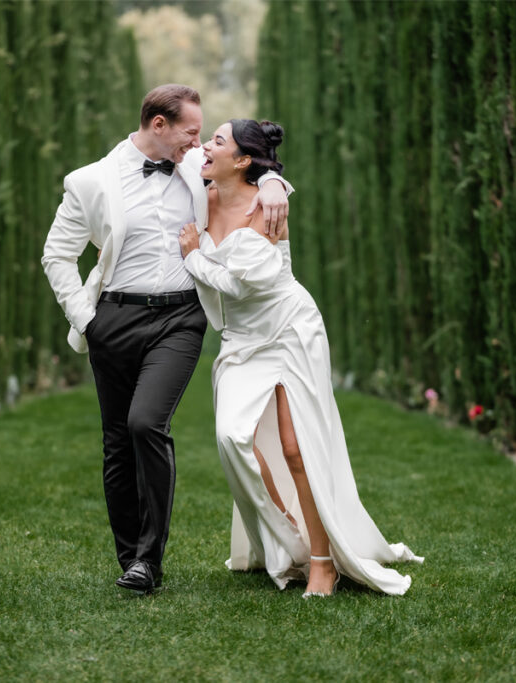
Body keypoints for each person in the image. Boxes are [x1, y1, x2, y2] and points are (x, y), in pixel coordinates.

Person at [41, 85, 293, 594]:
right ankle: (132, 559)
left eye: (203, 136)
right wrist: (87, 320)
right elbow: (56, 255)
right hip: (112, 318)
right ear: (159, 125)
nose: (200, 144)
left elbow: (248, 169)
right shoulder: (89, 181)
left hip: (180, 319)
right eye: (191, 132)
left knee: (145, 422)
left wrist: (274, 185)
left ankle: (149, 559)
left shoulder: (196, 169)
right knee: (116, 442)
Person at [177, 119, 422, 597]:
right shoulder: (202, 190)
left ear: (243, 160)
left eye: (218, 142)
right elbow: (169, 153)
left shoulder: (269, 211)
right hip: (240, 340)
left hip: (289, 330)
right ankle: (289, 533)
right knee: (232, 437)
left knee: (296, 447)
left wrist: (193, 256)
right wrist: (273, 179)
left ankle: (323, 561)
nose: (205, 146)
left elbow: (242, 283)